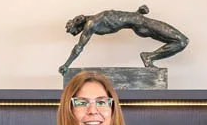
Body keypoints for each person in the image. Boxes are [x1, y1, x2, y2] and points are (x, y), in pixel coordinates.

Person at [58, 5, 189, 74]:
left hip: (142, 22)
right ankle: (149, 57)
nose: (77, 34)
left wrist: (66, 64)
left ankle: (149, 57)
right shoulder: (94, 21)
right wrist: (66, 65)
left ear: (77, 26)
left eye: (74, 32)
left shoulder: (92, 23)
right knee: (181, 41)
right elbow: (121, 19)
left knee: (181, 41)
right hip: (141, 23)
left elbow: (79, 47)